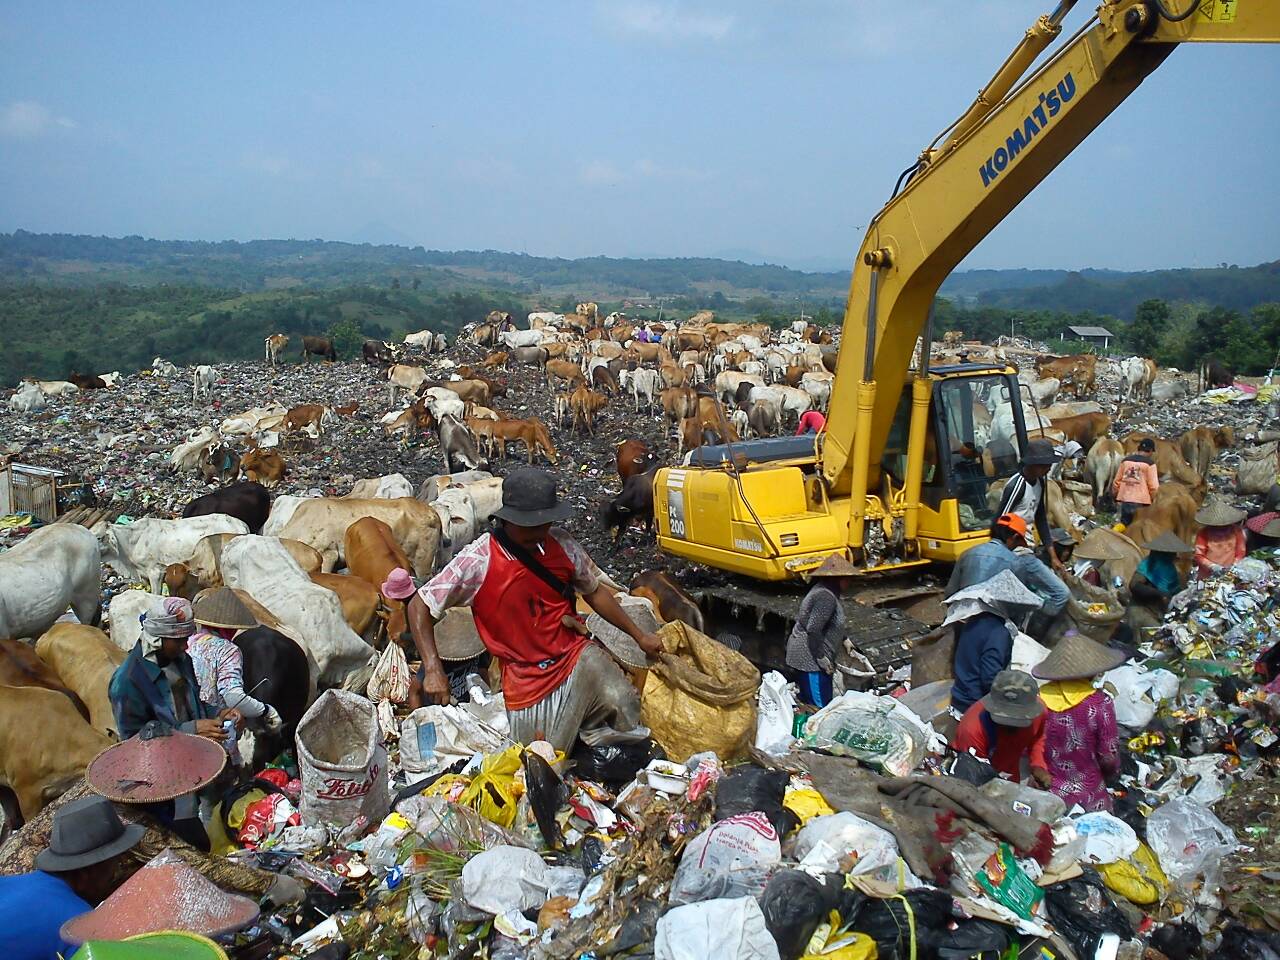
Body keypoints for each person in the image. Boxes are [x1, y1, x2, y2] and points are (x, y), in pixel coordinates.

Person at [409, 467, 664, 752]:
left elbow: (594, 593)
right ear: (508, 519)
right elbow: (420, 604)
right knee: (545, 756)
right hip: (526, 679)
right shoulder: (479, 558)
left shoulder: (562, 544)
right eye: (529, 525)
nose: (538, 532)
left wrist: (639, 636)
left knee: (623, 702)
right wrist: (432, 668)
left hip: (574, 656)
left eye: (543, 523)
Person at [0, 794, 143, 958]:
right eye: (114, 866)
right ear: (87, 873)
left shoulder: (6, 882)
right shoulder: (77, 927)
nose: (114, 874)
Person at [109, 597, 226, 743]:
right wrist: (191, 730)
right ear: (157, 639)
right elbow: (135, 742)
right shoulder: (126, 682)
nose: (185, 646)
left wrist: (220, 715)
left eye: (186, 639)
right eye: (178, 641)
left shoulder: (182, 660)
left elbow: (196, 704)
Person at [1033, 634, 1126, 812]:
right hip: (1087, 794)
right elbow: (1109, 756)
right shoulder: (1100, 704)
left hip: (1042, 789)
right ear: (1092, 673)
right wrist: (1111, 775)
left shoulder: (1038, 698)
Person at [946, 569, 1045, 718]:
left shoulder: (974, 620)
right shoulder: (998, 633)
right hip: (975, 705)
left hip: (959, 697)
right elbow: (990, 678)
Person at [188, 588, 283, 737]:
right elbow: (232, 696)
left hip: (189, 721)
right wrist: (266, 710)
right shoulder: (228, 650)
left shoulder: (189, 642)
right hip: (214, 727)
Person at [946, 514, 1069, 619]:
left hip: (960, 617)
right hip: (991, 623)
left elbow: (950, 593)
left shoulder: (967, 553)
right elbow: (1017, 603)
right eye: (1018, 542)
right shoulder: (1015, 562)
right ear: (1014, 537)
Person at [952, 670, 1050, 786]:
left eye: (1018, 721)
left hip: (1009, 777)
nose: (1012, 725)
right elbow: (974, 778)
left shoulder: (1039, 712)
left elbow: (1037, 738)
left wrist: (1038, 765)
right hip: (973, 776)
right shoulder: (972, 729)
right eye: (1006, 720)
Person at [785, 554, 854, 707]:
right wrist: (821, 658)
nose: (850, 582)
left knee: (820, 702)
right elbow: (814, 629)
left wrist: (844, 638)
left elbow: (829, 621)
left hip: (814, 656)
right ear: (837, 579)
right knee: (818, 707)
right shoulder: (825, 597)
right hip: (810, 659)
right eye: (847, 578)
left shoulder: (826, 591)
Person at [996, 439, 1062, 566]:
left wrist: (1053, 557)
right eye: (1043, 465)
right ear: (1032, 464)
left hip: (1029, 545)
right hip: (1015, 548)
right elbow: (1000, 523)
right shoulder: (1017, 486)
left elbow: (1041, 519)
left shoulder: (1040, 483)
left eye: (1049, 465)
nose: (1048, 469)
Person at [1128, 531, 1193, 634]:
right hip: (1141, 609)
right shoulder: (1148, 565)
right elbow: (1134, 585)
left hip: (1159, 612)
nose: (1173, 556)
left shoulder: (1171, 570)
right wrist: (1159, 593)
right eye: (1170, 554)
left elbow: (1177, 591)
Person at [1193, 499, 1247, 580]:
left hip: (1230, 573)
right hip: (1207, 574)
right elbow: (1199, 555)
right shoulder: (1203, 533)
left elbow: (1241, 552)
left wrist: (1234, 565)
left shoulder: (1236, 531)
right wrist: (1212, 566)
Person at [1112, 438, 1159, 525]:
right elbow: (1154, 487)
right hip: (1142, 502)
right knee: (1140, 527)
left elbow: (1116, 482)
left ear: (1139, 448)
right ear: (1150, 451)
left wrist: (1116, 496)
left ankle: (1114, 535)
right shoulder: (1150, 464)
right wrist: (1153, 500)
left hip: (1125, 500)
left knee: (1123, 525)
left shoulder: (1125, 461)